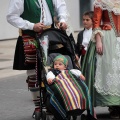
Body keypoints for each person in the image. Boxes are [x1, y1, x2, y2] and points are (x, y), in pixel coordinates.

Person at [6, 0, 68, 118]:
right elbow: (11, 16)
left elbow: (61, 6)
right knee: (33, 73)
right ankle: (38, 107)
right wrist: (31, 25)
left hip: (50, 34)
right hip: (29, 35)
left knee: (54, 68)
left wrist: (63, 20)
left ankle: (51, 104)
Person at [81, 0, 120, 119]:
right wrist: (98, 40)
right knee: (108, 69)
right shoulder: (101, 1)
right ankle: (113, 105)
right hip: (108, 37)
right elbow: (96, 22)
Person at [46, 55, 97, 120]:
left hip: (72, 85)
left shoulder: (71, 71)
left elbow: (78, 73)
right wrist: (50, 79)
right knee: (62, 92)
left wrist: (81, 75)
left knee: (84, 89)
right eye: (55, 64)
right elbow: (49, 77)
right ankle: (63, 111)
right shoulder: (52, 72)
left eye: (60, 64)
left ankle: (88, 111)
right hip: (61, 85)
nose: (57, 66)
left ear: (65, 67)